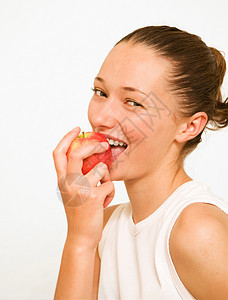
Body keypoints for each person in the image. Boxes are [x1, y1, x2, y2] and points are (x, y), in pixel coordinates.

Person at [53, 25, 228, 299]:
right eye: (100, 92)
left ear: (190, 126)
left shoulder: (199, 232)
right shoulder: (103, 226)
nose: (102, 118)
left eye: (133, 102)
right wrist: (80, 238)